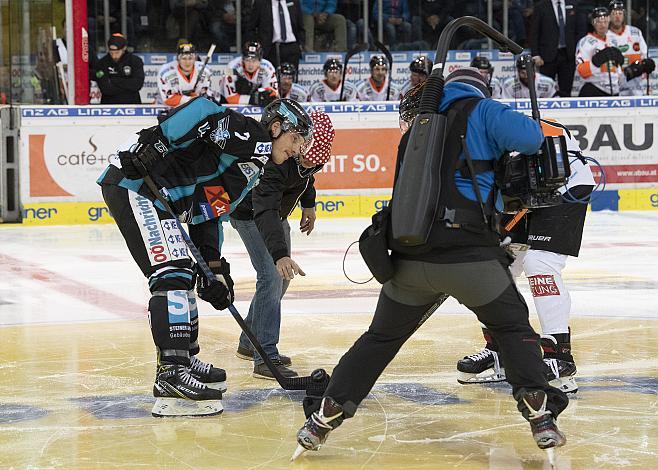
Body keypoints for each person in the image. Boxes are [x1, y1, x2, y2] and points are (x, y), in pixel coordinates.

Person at [292, 68, 569, 458]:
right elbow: (532, 136)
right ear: (479, 89)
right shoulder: (482, 110)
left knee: (380, 339)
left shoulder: (418, 128)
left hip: (410, 258)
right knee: (510, 325)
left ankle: (324, 415)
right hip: (470, 258)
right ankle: (538, 410)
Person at [96, 97, 314, 417]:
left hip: (159, 198)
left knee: (183, 272)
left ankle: (183, 359)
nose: (297, 149)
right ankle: (171, 373)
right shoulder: (251, 135)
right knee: (171, 272)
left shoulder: (253, 166)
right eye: (295, 139)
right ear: (277, 127)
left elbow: (209, 212)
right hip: (136, 184)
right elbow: (203, 110)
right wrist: (155, 142)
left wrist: (213, 267)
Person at [456, 119, 595, 394]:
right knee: (493, 269)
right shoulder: (449, 137)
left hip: (563, 182)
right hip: (521, 187)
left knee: (539, 262)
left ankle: (559, 356)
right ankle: (500, 350)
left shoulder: (471, 128)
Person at [230, 111, 335, 379]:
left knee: (282, 279)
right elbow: (263, 210)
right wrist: (279, 255)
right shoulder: (276, 162)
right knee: (271, 276)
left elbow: (306, 176)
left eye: (316, 162)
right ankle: (265, 355)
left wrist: (308, 205)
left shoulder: (305, 157)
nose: (310, 163)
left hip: (276, 214)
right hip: (251, 215)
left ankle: (248, 341)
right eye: (307, 157)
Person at [529, 0, 585, 97]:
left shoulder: (573, 5)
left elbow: (580, 30)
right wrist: (535, 54)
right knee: (545, 89)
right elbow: (534, 32)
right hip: (546, 56)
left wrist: (577, 51)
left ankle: (566, 110)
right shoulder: (541, 6)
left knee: (566, 90)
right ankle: (544, 112)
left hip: (568, 55)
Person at [607, 0, 655, 96]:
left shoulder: (635, 32)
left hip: (636, 86)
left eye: (620, 13)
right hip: (614, 88)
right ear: (609, 16)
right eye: (614, 13)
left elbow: (644, 57)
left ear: (624, 14)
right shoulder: (605, 36)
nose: (617, 16)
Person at [575, 7, 625, 97]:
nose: (603, 25)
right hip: (594, 89)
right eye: (599, 22)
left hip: (614, 91)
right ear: (593, 23)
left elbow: (618, 71)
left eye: (605, 21)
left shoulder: (613, 40)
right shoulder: (585, 42)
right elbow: (581, 70)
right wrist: (596, 62)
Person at [246, 0, 305, 72]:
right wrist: (256, 44)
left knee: (290, 79)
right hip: (271, 49)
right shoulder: (261, 3)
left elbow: (300, 26)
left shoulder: (294, 1)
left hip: (292, 48)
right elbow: (251, 27)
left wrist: (300, 44)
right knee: (272, 79)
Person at [218, 41, 279, 105]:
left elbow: (272, 94)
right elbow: (230, 98)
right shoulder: (231, 67)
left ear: (260, 60)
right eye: (247, 60)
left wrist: (259, 95)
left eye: (254, 60)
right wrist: (253, 99)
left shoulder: (268, 67)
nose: (250, 65)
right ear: (243, 59)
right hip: (229, 103)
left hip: (254, 102)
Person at [92, 33, 144, 104]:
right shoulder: (102, 63)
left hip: (132, 104)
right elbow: (105, 89)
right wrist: (127, 84)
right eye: (111, 52)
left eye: (117, 53)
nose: (114, 56)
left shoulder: (135, 61)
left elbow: (137, 84)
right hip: (109, 105)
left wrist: (113, 80)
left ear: (124, 49)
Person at [157, 41, 212, 107]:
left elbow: (206, 96)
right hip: (165, 108)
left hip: (195, 107)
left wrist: (198, 97)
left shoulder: (205, 71)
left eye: (190, 58)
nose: (187, 62)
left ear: (195, 58)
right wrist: (191, 99)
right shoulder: (166, 72)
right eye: (184, 58)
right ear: (178, 59)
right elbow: (169, 100)